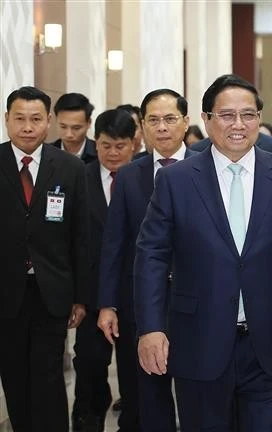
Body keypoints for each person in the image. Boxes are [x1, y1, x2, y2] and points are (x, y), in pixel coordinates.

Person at [133, 74, 272, 431]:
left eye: (248, 115)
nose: (238, 125)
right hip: (198, 342)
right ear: (206, 120)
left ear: (259, 119)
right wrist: (150, 328)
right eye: (226, 115)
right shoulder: (176, 180)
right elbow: (151, 256)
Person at [97, 89, 196, 431]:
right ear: (142, 127)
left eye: (170, 119)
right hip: (142, 301)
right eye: (153, 120)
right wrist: (108, 304)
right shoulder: (128, 177)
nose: (163, 128)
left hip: (197, 301)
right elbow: (115, 244)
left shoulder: (208, 168)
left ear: (186, 122)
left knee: (199, 391)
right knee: (149, 396)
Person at [0, 86, 89, 431]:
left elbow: (80, 238)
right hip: (6, 293)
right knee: (14, 375)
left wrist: (81, 297)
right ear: (7, 119)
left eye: (36, 119)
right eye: (19, 119)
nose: (27, 127)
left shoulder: (68, 168)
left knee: (49, 375)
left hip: (52, 292)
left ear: (48, 121)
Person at [72, 109, 136, 432]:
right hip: (92, 293)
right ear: (96, 144)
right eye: (106, 145)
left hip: (134, 295)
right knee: (89, 365)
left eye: (120, 146)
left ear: (134, 145)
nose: (112, 153)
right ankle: (88, 420)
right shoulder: (78, 178)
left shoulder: (145, 179)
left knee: (134, 371)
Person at [51, 92, 97, 163]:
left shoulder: (99, 154)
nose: (69, 134)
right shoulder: (45, 153)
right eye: (63, 127)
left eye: (76, 128)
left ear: (89, 123)